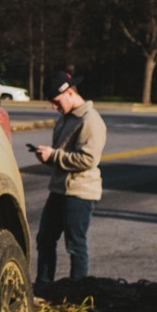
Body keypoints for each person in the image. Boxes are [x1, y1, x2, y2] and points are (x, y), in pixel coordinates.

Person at [31, 71, 107, 283]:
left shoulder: (90, 120)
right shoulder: (66, 119)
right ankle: (44, 286)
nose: (54, 107)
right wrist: (47, 156)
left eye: (56, 102)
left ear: (70, 93)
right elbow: (63, 154)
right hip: (59, 189)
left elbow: (88, 160)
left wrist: (53, 155)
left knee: (75, 245)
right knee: (45, 239)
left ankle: (77, 292)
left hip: (80, 192)